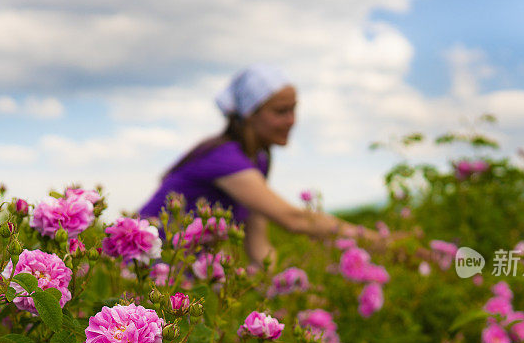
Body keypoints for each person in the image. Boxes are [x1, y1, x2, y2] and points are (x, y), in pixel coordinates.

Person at [139, 63, 383, 267]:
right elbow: (294, 219)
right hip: (143, 267)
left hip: (181, 274)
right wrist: (382, 243)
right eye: (281, 111)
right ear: (250, 115)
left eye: (293, 109)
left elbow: (258, 245)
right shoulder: (225, 158)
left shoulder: (257, 161)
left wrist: (282, 291)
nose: (292, 120)